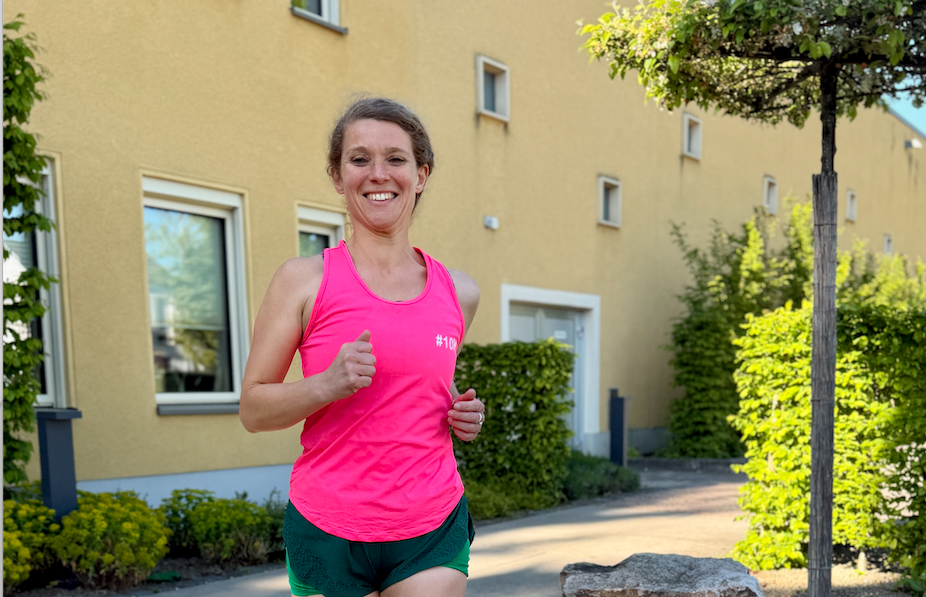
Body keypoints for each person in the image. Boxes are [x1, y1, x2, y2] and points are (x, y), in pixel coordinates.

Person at [239, 97, 484, 597]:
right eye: (359, 159)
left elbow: (430, 383)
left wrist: (464, 413)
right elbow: (253, 409)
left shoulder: (460, 292)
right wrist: (327, 384)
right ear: (337, 175)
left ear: (421, 175)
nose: (379, 174)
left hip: (430, 522)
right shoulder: (302, 281)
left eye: (396, 159)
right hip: (327, 526)